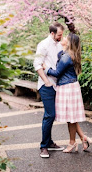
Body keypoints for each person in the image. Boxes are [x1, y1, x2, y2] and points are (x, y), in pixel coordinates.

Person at [46, 33, 92, 153]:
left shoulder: (67, 57)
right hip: (70, 87)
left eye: (66, 37)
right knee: (71, 117)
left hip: (67, 88)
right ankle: (83, 138)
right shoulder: (68, 55)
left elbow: (56, 73)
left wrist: (45, 68)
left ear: (69, 42)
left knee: (71, 118)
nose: (63, 38)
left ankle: (72, 143)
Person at [34, 22, 65, 158]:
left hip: (57, 85)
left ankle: (50, 142)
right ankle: (44, 147)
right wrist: (46, 82)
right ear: (52, 34)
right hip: (46, 85)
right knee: (49, 115)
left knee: (52, 115)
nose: (61, 37)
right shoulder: (43, 45)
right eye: (59, 35)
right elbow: (37, 64)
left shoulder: (58, 44)